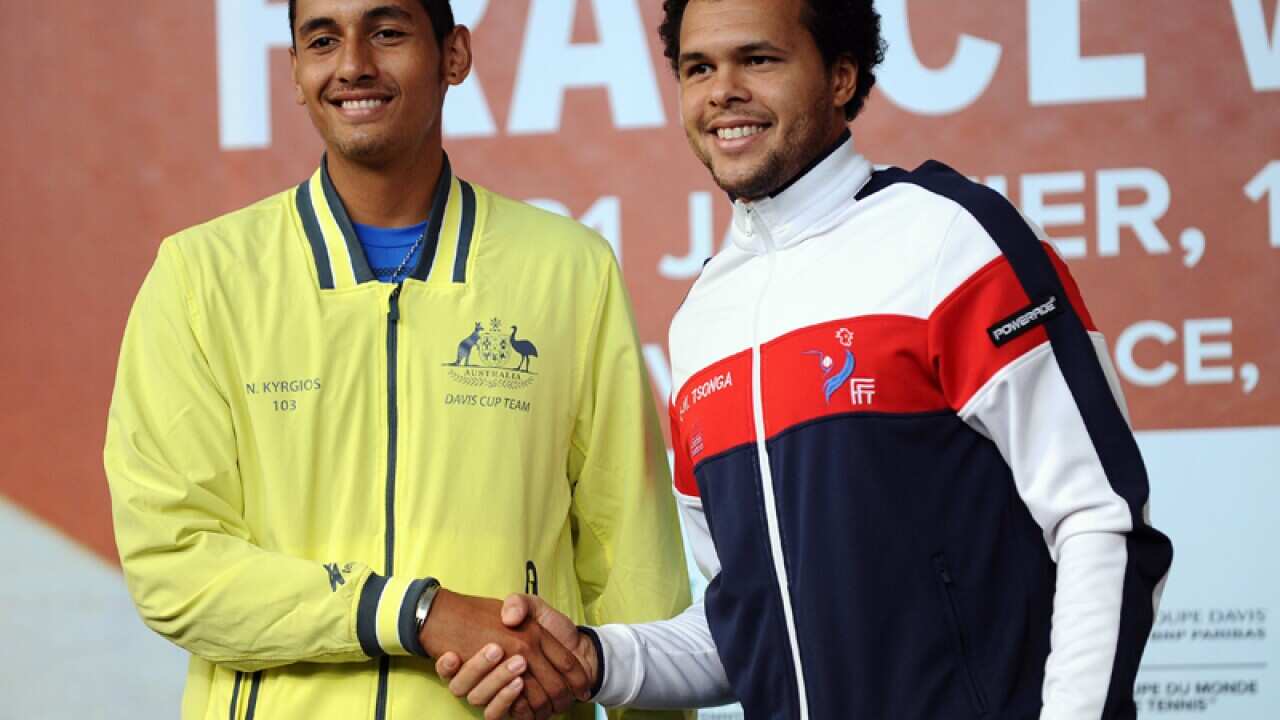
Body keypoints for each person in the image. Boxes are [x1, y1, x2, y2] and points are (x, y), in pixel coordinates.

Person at [437, 1, 1175, 718]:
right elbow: (747, 627)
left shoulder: (953, 239)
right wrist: (597, 658)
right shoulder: (703, 323)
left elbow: (1102, 520)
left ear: (842, 76)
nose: (722, 91)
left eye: (758, 59)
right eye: (698, 68)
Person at [102, 1, 691, 719]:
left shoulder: (569, 270)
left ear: (454, 56)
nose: (353, 64)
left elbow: (635, 571)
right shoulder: (201, 277)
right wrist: (417, 612)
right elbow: (174, 564)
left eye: (386, 33)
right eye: (323, 39)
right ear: (295, 71)